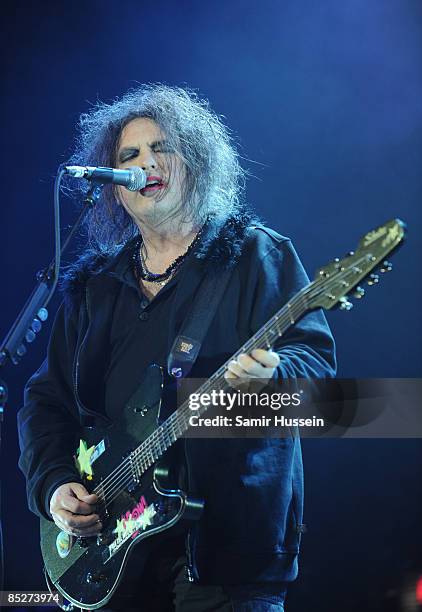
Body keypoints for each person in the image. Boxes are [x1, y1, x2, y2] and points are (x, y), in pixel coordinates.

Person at [18, 84, 336, 611]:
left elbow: (320, 375)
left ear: (197, 163)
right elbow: (46, 400)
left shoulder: (256, 257)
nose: (146, 163)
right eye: (129, 157)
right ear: (115, 188)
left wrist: (270, 383)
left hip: (225, 557)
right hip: (112, 558)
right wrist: (54, 485)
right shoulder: (94, 288)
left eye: (162, 148)